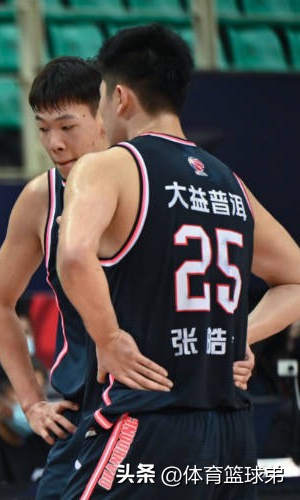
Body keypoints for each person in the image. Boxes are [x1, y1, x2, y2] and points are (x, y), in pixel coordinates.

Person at [0, 56, 255, 499]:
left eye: (67, 126)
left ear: (107, 115)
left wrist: (236, 336)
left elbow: (285, 275)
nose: (53, 143)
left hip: (164, 405)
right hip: (90, 413)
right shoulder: (41, 197)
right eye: (42, 128)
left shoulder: (158, 182)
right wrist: (32, 402)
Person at [56, 25, 300, 498]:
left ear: (120, 97)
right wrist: (233, 337)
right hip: (230, 430)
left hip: (150, 417)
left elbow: (72, 253)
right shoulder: (229, 180)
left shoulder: (108, 165)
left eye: (101, 97)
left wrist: (107, 338)